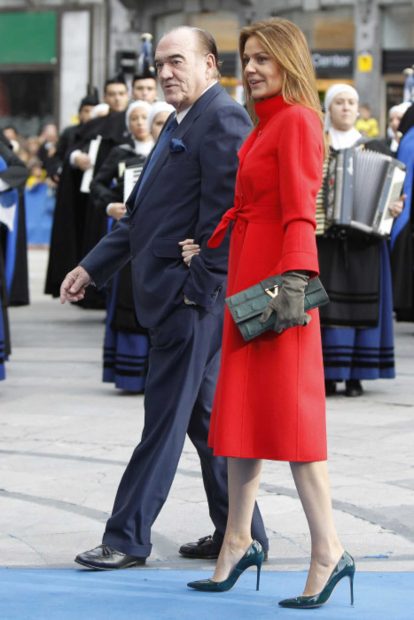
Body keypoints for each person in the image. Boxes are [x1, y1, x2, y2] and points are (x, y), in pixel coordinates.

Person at [60, 26, 268, 570]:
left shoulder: (221, 119)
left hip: (189, 304)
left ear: (210, 65)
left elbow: (226, 221)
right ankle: (242, 534)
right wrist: (90, 266)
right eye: (159, 64)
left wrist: (197, 295)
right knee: (206, 422)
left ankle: (126, 537)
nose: (166, 72)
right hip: (181, 301)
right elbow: (141, 219)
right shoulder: (180, 122)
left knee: (162, 425)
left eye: (177, 61)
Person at [185, 18, 354, 609]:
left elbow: (300, 209)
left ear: (289, 61)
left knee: (295, 425)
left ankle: (328, 551)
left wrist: (296, 286)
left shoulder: (299, 122)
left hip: (280, 292)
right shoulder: (264, 125)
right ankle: (237, 539)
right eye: (247, 58)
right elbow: (251, 206)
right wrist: (209, 242)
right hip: (249, 280)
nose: (252, 68)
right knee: (242, 421)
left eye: (264, 58)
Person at [318, 84, 399, 397]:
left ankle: (356, 375)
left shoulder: (374, 147)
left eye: (351, 102)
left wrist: (394, 206)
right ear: (330, 109)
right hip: (326, 239)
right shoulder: (319, 146)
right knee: (327, 307)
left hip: (365, 241)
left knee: (361, 308)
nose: (346, 108)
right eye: (340, 102)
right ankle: (327, 373)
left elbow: (393, 192)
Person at [90, 100, 154, 392]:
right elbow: (98, 185)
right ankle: (129, 371)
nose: (140, 123)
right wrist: (109, 206)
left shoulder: (164, 152)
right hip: (128, 231)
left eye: (146, 118)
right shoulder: (121, 154)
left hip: (158, 235)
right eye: (135, 118)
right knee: (127, 295)